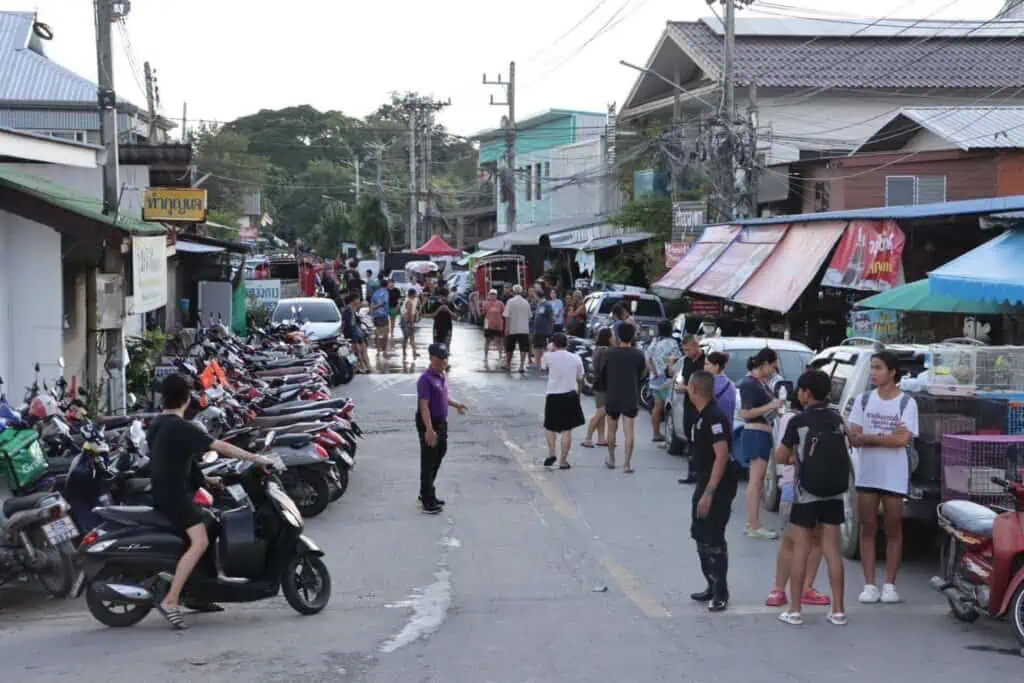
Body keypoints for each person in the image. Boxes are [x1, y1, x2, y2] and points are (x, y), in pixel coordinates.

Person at [148, 374, 274, 629]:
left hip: (168, 492)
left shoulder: (158, 423)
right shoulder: (179, 426)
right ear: (186, 399)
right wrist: (256, 458)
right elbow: (220, 447)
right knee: (200, 540)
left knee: (212, 523)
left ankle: (200, 592)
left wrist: (208, 481)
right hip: (175, 497)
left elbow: (179, 458)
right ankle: (171, 601)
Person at [775, 369, 849, 626]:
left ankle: (795, 611)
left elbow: (780, 456)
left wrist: (796, 457)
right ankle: (838, 611)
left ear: (806, 393)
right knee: (831, 550)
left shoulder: (799, 421)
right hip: (835, 492)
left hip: (807, 491)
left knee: (802, 548)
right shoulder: (838, 419)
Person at [848, 350, 918, 605]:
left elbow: (902, 439)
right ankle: (869, 584)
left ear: (893, 372)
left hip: (894, 476)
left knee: (893, 528)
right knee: (868, 527)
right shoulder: (863, 400)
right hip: (868, 473)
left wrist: (870, 438)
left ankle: (889, 584)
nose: (874, 373)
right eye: (872, 368)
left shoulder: (906, 403)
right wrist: (883, 439)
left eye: (878, 368)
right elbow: (854, 435)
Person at [765, 378, 831, 615]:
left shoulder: (826, 419)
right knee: (793, 538)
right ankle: (780, 588)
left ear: (806, 393)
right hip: (796, 485)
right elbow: (782, 455)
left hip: (811, 487)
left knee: (814, 539)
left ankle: (804, 587)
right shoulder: (793, 419)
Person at [687, 370, 739, 612]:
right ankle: (710, 584)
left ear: (694, 389)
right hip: (704, 482)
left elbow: (721, 456)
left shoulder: (714, 417)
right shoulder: (701, 416)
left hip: (717, 486)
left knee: (714, 537)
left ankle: (721, 592)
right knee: (699, 534)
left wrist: (709, 492)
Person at [415, 343, 468, 514]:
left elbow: (443, 397)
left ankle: (428, 490)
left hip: (441, 422)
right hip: (428, 422)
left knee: (440, 453)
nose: (444, 361)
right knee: (429, 460)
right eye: (440, 358)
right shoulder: (425, 379)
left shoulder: (441, 375)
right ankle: (426, 498)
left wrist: (456, 404)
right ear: (432, 358)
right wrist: (429, 430)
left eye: (446, 358)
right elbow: (424, 406)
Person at [737, 348, 784, 539]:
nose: (774, 369)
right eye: (772, 365)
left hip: (763, 433)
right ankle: (754, 524)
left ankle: (754, 522)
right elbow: (746, 413)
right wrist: (771, 405)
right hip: (756, 433)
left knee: (758, 482)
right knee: (755, 482)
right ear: (764, 363)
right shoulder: (750, 384)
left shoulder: (760, 383)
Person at [602, 323, 647, 473]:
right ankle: (627, 463)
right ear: (633, 336)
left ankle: (611, 459)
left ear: (618, 336)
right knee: (629, 431)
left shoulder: (610, 353)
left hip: (613, 394)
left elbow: (602, 374)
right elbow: (643, 374)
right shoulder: (638, 354)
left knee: (611, 429)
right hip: (630, 395)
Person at [541, 332, 586, 469]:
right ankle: (563, 461)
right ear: (567, 344)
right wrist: (579, 392)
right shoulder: (575, 358)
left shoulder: (548, 357)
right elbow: (580, 376)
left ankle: (551, 453)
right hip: (569, 395)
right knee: (567, 430)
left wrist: (549, 349)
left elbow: (543, 368)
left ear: (553, 344)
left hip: (553, 395)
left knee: (550, 427)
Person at [677, 336, 707, 485]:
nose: (686, 352)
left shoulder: (705, 362)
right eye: (684, 350)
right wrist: (682, 386)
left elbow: (701, 386)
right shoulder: (687, 361)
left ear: (696, 347)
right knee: (690, 440)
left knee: (700, 441)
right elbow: (684, 379)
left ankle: (701, 473)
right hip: (688, 405)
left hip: (700, 407)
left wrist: (685, 388)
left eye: (688, 349)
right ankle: (692, 472)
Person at [646, 320, 679, 444]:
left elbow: (647, 358)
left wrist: (653, 372)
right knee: (669, 409)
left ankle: (656, 434)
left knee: (657, 408)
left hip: (655, 380)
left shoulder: (654, 342)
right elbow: (677, 360)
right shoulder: (673, 343)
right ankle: (668, 436)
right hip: (668, 380)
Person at [582, 327, 613, 448]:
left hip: (599, 384)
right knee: (602, 412)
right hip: (603, 385)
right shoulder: (605, 351)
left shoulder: (599, 349)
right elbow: (605, 370)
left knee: (601, 412)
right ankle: (588, 438)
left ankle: (601, 438)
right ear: (608, 338)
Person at [503, 284, 531, 373]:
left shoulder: (510, 302)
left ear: (513, 292)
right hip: (524, 329)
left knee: (510, 347)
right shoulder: (526, 302)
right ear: (521, 292)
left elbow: (507, 316)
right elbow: (529, 316)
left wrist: (506, 328)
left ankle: (508, 364)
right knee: (523, 348)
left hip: (512, 328)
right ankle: (522, 366)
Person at [341, 294, 370, 373]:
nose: (359, 301)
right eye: (358, 299)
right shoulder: (348, 310)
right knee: (353, 351)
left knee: (361, 350)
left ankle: (365, 367)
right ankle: (357, 367)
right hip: (351, 333)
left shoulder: (355, 309)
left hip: (357, 332)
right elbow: (345, 323)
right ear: (353, 300)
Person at [481, 289, 505, 363]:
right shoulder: (485, 303)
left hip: (498, 325)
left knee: (499, 341)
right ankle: (485, 356)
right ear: (489, 295)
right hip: (488, 324)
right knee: (487, 341)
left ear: (496, 295)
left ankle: (500, 355)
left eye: (494, 294)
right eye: (491, 294)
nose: (492, 295)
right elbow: (483, 314)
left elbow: (503, 313)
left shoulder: (500, 303)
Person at [532, 294, 556, 366]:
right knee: (537, 347)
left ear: (538, 296)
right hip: (537, 331)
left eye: (535, 296)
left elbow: (552, 318)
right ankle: (538, 363)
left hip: (545, 331)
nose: (534, 298)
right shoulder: (538, 305)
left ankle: (545, 363)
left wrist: (550, 328)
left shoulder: (547, 305)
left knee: (545, 348)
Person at [370, 279, 391, 354]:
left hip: (376, 316)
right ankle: (384, 349)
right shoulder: (386, 292)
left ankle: (378, 350)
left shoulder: (375, 293)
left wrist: (372, 315)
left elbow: (371, 304)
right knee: (386, 333)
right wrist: (376, 307)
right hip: (383, 315)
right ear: (386, 285)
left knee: (377, 333)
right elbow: (384, 302)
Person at [400, 289, 419, 360]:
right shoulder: (410, 302)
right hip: (407, 321)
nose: (416, 295)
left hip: (403, 320)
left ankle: (405, 352)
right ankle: (413, 352)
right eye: (415, 294)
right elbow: (409, 314)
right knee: (411, 337)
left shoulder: (406, 300)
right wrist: (411, 323)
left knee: (406, 337)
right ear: (412, 294)